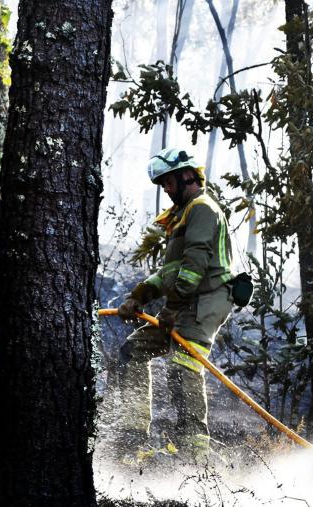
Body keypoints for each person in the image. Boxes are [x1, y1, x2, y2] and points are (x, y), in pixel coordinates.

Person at [114, 147, 235, 462]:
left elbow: (195, 263)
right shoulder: (183, 215)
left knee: (183, 368)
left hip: (206, 301)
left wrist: (171, 309)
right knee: (131, 351)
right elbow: (170, 274)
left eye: (167, 182)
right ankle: (132, 436)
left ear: (185, 176)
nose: (165, 190)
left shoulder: (203, 209)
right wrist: (138, 295)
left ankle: (196, 459)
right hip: (185, 302)